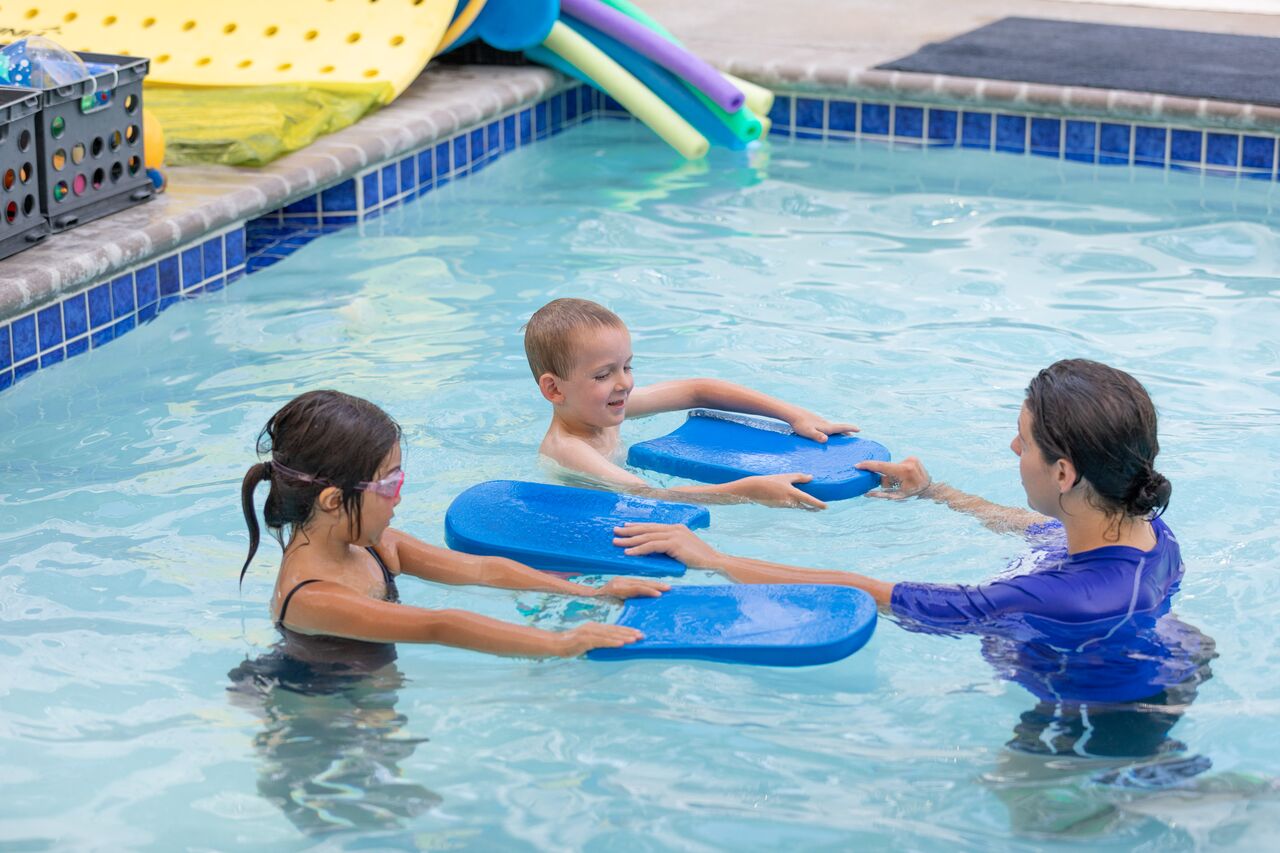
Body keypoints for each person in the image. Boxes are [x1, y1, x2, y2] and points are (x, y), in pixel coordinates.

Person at [238, 390, 669, 663]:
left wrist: (592, 592)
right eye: (390, 483)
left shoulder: (374, 545)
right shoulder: (312, 598)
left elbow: (481, 569)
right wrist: (562, 643)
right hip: (323, 719)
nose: (399, 496)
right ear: (333, 501)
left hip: (366, 697)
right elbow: (438, 625)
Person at [523, 297, 858, 510]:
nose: (624, 383)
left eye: (627, 367)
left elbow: (698, 390)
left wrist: (795, 415)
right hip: (585, 523)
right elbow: (649, 496)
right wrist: (749, 491)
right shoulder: (569, 448)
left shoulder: (597, 410)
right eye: (603, 375)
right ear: (554, 389)